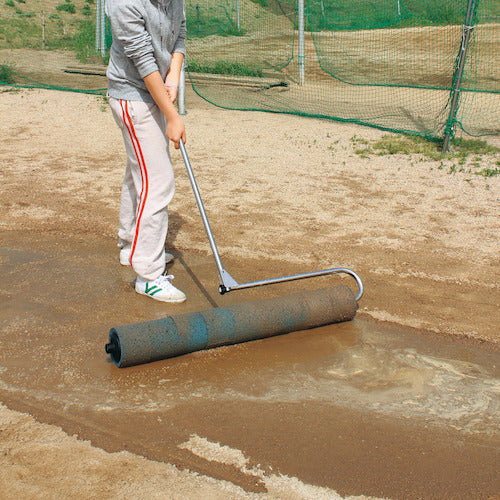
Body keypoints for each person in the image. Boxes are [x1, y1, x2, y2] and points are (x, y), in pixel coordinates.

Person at [105, 0, 187, 303]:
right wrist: (173, 117)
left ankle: (131, 246)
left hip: (156, 91)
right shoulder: (125, 4)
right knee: (158, 181)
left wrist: (173, 82)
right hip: (132, 97)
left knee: (138, 170)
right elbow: (144, 62)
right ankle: (149, 276)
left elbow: (179, 38)